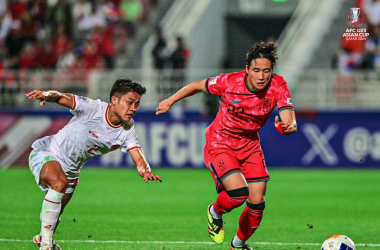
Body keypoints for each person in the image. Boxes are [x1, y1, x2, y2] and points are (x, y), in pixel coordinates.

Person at [156, 41, 297, 250]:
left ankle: (238, 245)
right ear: (247, 69)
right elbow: (196, 86)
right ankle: (215, 212)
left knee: (257, 203)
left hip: (249, 145)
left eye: (266, 71)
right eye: (256, 70)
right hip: (220, 142)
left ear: (272, 71)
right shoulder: (229, 82)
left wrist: (288, 126)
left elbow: (290, 119)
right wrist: (170, 100)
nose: (261, 76)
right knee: (239, 193)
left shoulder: (278, 85)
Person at [25, 78, 162, 250]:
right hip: (47, 152)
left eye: (137, 104)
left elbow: (138, 155)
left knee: (55, 212)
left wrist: (145, 170)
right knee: (59, 183)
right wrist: (46, 94)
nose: (133, 108)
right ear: (114, 100)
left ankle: (43, 238)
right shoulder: (93, 108)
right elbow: (62, 97)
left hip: (72, 172)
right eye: (130, 102)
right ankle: (46, 246)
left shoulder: (127, 130)